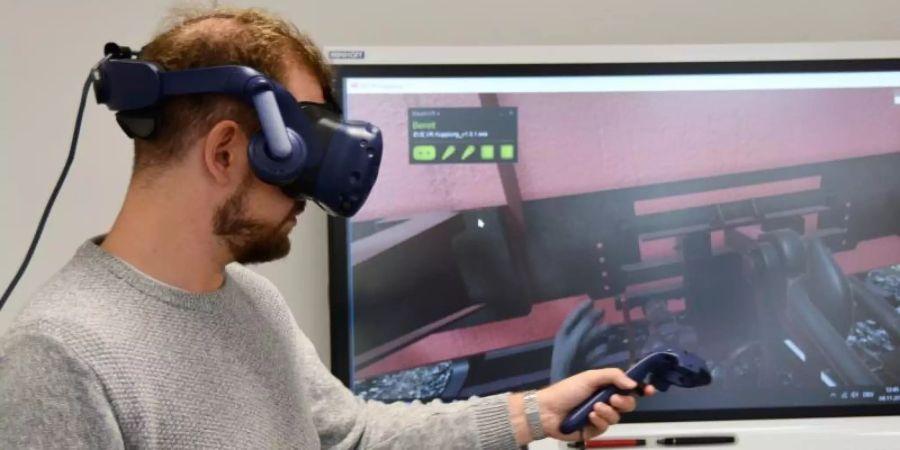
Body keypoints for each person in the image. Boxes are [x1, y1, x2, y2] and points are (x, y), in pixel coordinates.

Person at [0, 7, 652, 449]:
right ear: (225, 152)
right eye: (303, 154)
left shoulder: (252, 305)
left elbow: (350, 435)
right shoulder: (59, 357)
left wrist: (537, 412)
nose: (309, 197)